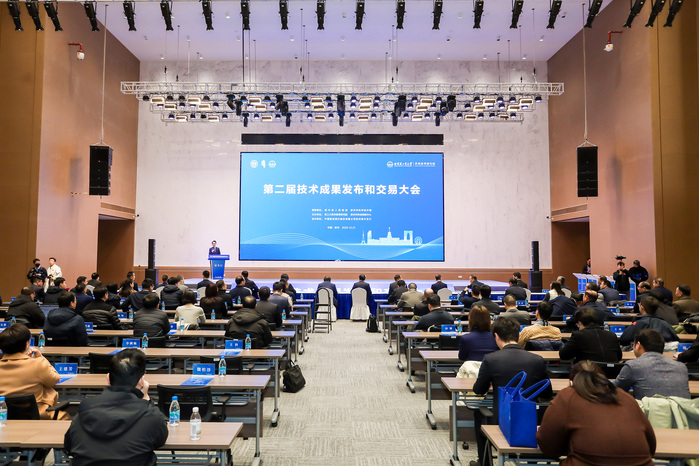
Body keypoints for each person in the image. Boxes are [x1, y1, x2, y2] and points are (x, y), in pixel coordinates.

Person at [537, 361, 655, 466]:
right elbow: (651, 445)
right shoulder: (626, 397)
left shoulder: (567, 396)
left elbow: (547, 444)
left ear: (572, 382)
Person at [64, 348, 168, 465]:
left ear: (108, 378)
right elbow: (160, 439)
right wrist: (146, 398)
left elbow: (69, 445)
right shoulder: (150, 415)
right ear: (141, 382)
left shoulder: (84, 411)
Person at [472, 317, 552, 466]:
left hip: (502, 421)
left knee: (478, 412)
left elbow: (478, 390)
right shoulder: (537, 359)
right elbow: (547, 394)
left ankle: (485, 462)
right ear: (519, 336)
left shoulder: (491, 359)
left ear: (496, 336)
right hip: (531, 420)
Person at [0, 323, 66, 419]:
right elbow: (54, 380)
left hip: (3, 417)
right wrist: (41, 358)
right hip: (35, 416)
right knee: (65, 417)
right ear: (27, 345)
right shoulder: (37, 364)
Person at [615, 329, 690, 399]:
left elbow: (614, 390)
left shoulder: (633, 366)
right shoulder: (681, 367)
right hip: (681, 409)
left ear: (638, 345)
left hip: (650, 409)